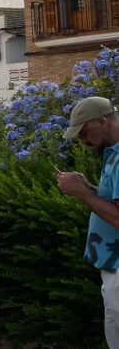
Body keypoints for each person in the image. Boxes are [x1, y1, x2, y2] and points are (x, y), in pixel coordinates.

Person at [57, 96, 119, 346]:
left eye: (84, 133)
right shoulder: (112, 153)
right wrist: (88, 188)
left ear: (102, 122)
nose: (83, 141)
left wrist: (82, 193)